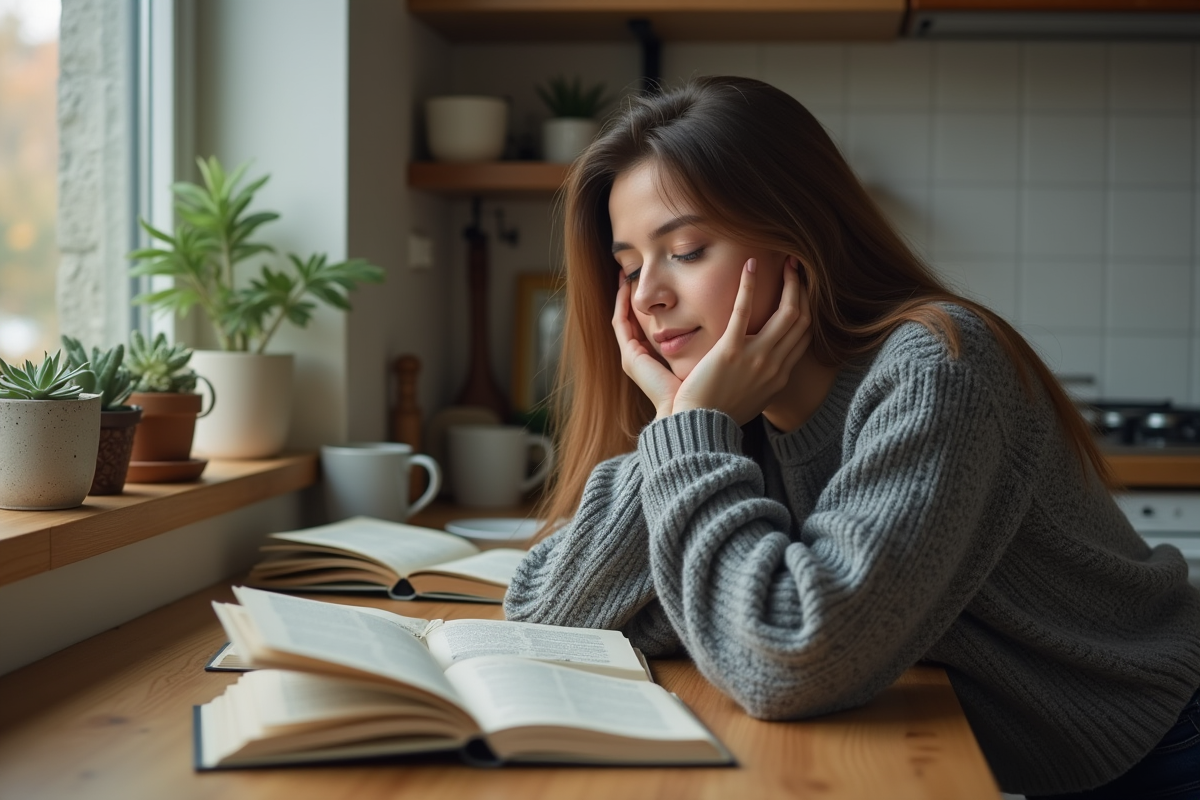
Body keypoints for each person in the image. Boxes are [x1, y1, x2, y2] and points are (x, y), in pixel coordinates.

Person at [502, 76, 1200, 798]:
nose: (647, 296)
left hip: (1160, 751)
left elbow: (787, 658)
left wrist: (690, 449)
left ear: (798, 236)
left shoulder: (939, 368)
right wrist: (685, 426)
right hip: (1020, 762)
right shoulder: (728, 414)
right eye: (628, 266)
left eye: (686, 249)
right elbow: (551, 613)